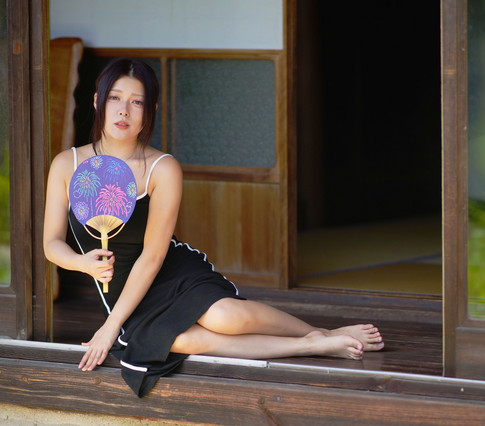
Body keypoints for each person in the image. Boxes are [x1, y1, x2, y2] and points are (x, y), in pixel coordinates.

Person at [43, 57, 384, 397]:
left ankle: (320, 332)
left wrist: (110, 326)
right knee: (179, 340)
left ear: (151, 110)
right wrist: (81, 263)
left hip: (167, 271)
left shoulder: (162, 168)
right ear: (97, 101)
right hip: (120, 291)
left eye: (137, 102)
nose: (124, 110)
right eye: (115, 98)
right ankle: (310, 345)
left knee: (224, 318)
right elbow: (52, 243)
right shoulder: (66, 165)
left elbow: (153, 256)